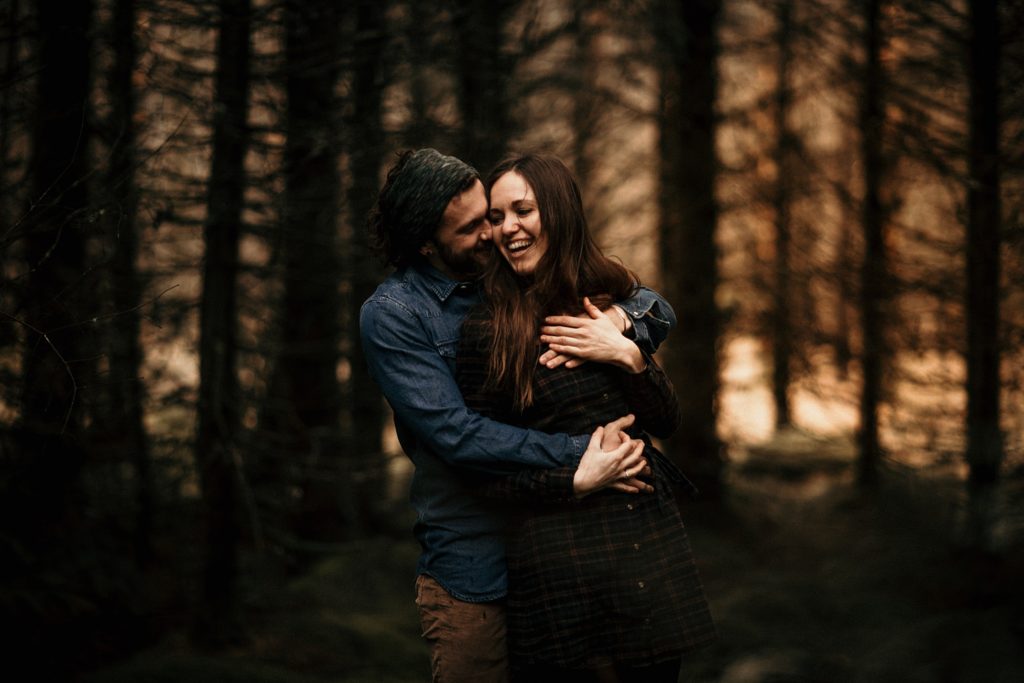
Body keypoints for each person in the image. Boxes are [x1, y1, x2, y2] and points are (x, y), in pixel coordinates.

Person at [359, 149, 678, 682]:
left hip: (554, 543)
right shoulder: (394, 315)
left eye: (491, 214)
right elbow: (456, 436)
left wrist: (623, 330)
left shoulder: (505, 277)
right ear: (424, 244)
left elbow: (648, 301)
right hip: (473, 554)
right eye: (472, 228)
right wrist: (583, 457)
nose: (493, 233)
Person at [455, 154, 716, 682]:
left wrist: (628, 355)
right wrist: (574, 480)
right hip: (561, 570)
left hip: (646, 553)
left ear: (556, 212)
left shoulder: (608, 301)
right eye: (497, 217)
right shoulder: (486, 330)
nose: (508, 228)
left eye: (522, 210)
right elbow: (480, 474)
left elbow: (665, 422)